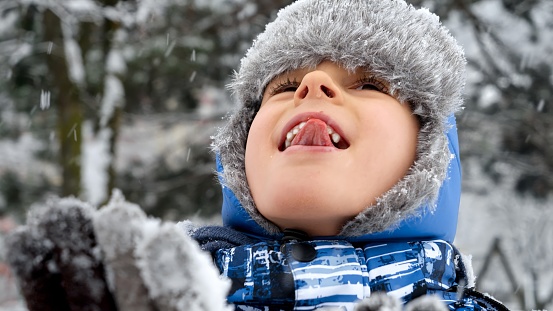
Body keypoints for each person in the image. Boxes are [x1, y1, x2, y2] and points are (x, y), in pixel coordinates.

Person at [5, 0, 509, 310]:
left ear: (430, 152)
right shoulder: (154, 293)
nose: (312, 85)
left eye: (372, 83)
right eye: (285, 85)